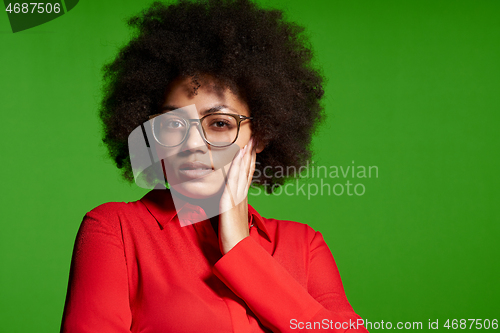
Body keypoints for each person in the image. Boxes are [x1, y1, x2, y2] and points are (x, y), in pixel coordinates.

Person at [60, 0, 369, 332]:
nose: (192, 143)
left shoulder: (303, 246)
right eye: (174, 124)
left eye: (219, 123)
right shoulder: (116, 231)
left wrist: (240, 248)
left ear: (261, 134)